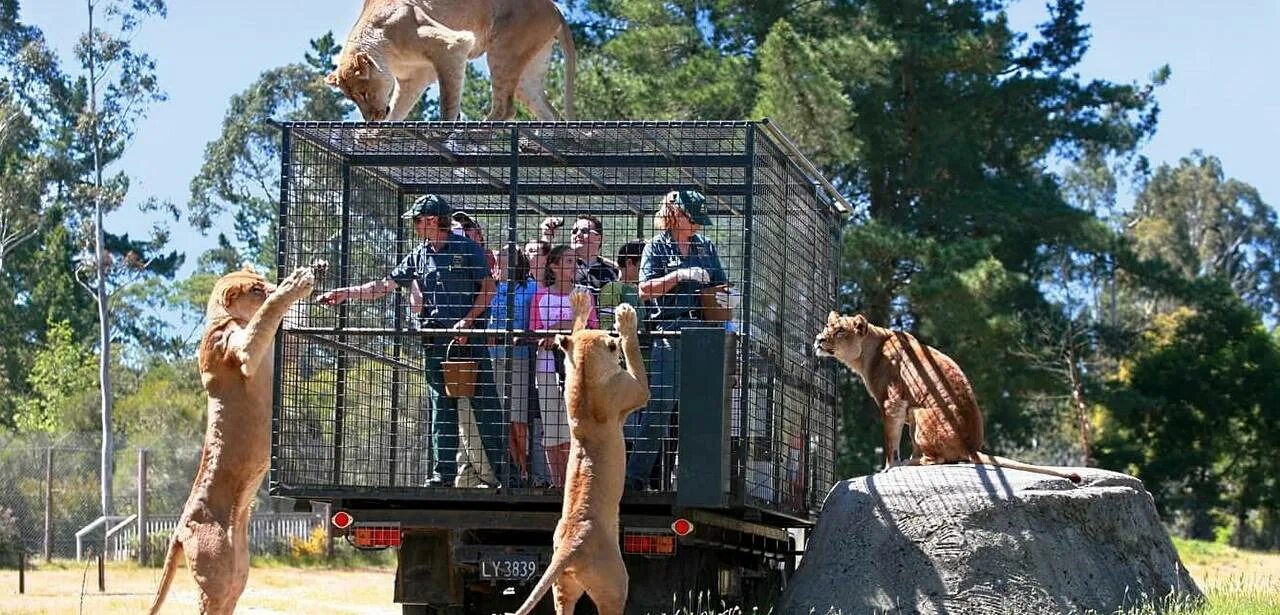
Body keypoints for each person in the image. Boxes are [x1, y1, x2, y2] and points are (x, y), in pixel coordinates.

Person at [316, 194, 505, 488]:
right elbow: (383, 285)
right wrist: (346, 293)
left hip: (470, 340)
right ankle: (443, 475)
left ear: (432, 220)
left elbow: (488, 289)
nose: (415, 226)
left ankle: (505, 475)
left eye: (417, 220)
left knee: (486, 405)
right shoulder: (418, 255)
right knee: (440, 407)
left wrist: (468, 321)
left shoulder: (467, 248)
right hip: (435, 342)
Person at [625, 189, 740, 491]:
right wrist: (680, 275)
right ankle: (635, 479)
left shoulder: (706, 246)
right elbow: (645, 290)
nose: (699, 224)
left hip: (704, 332)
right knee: (661, 404)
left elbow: (720, 286)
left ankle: (698, 482)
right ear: (676, 215)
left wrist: (728, 298)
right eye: (694, 218)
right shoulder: (657, 247)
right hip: (670, 330)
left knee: (701, 408)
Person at [531, 245, 598, 487]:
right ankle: (557, 482)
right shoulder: (540, 296)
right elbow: (535, 332)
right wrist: (563, 327)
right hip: (548, 367)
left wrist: (560, 326)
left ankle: (575, 481)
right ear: (554, 265)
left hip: (577, 367)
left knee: (575, 424)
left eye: (575, 261)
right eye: (568, 261)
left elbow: (589, 326)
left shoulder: (583, 293)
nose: (573, 266)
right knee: (552, 425)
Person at [487, 246, 546, 487]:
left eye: (506, 260)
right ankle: (514, 471)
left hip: (521, 358)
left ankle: (526, 467)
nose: (502, 265)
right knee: (503, 419)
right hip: (494, 357)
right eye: (500, 261)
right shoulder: (491, 287)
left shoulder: (532, 288)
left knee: (519, 418)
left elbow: (537, 321)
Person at [541, 214, 619, 295]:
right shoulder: (561, 265)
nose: (578, 234)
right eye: (574, 231)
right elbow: (541, 265)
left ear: (599, 238)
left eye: (584, 231)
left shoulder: (613, 270)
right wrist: (547, 236)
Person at [597, 239, 646, 331]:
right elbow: (607, 326)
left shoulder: (637, 289)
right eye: (644, 264)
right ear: (629, 263)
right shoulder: (612, 288)